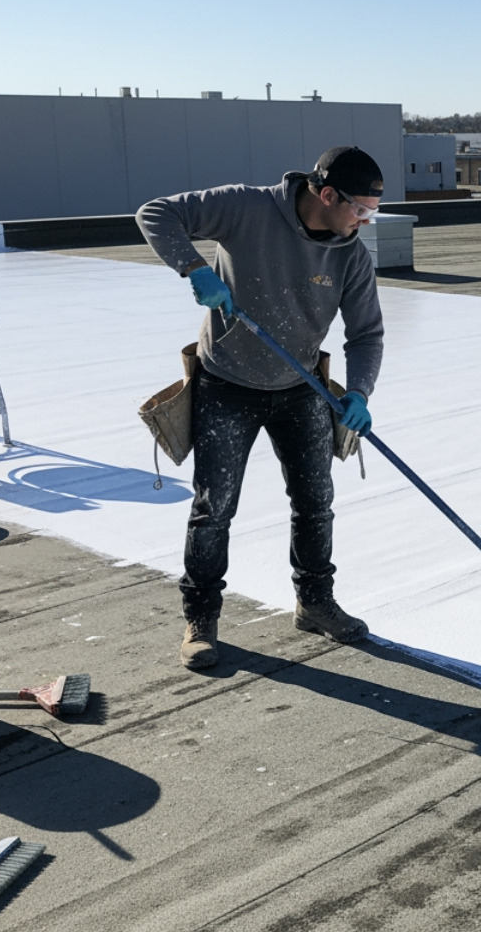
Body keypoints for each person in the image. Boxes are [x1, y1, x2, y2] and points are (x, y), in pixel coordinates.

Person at [136, 146, 385, 669]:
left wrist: (359, 392)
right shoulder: (246, 208)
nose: (364, 221)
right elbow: (156, 212)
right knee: (214, 508)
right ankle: (200, 618)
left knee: (315, 501)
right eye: (359, 210)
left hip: (302, 390)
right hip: (227, 384)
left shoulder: (351, 254)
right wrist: (194, 269)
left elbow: (366, 334)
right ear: (326, 194)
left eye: (372, 213)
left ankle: (314, 602)